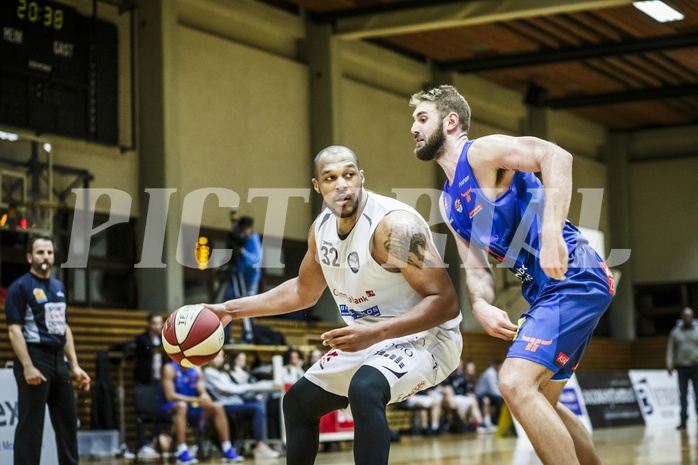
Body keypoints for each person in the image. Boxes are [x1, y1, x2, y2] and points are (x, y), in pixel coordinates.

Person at [206, 145, 463, 465]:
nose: (341, 184)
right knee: (298, 403)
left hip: (428, 338)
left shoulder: (394, 228)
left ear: (361, 177)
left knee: (365, 389)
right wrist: (229, 310)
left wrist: (377, 334)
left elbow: (446, 302)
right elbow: (303, 291)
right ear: (317, 186)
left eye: (349, 174)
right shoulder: (321, 230)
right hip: (369, 338)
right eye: (330, 178)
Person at [409, 85, 615, 465]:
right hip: (547, 291)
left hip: (574, 275)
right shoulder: (448, 200)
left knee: (513, 383)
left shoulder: (482, 153)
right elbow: (476, 268)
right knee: (543, 402)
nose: (413, 128)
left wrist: (552, 231)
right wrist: (482, 304)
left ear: (451, 121)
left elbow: (557, 156)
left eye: (422, 118)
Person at [5, 235, 91, 465]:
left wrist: (74, 365)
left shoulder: (58, 287)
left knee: (68, 424)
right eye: (40, 252)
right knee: (30, 427)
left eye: (49, 252)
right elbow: (14, 330)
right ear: (29, 256)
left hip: (58, 360)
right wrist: (27, 366)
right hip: (34, 358)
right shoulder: (20, 287)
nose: (46, 257)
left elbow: (64, 327)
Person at [160, 360, 243, 463]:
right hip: (172, 407)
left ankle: (227, 449)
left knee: (217, 406)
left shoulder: (196, 369)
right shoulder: (170, 368)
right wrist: (195, 400)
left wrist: (205, 398)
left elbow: (203, 392)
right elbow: (170, 396)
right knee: (182, 406)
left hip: (191, 407)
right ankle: (182, 451)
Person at [203, 351, 280, 459]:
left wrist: (233, 389)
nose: (220, 359)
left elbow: (230, 389)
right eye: (217, 356)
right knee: (256, 409)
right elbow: (229, 389)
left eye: (221, 356)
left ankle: (264, 442)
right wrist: (251, 386)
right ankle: (259, 445)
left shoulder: (222, 373)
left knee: (261, 403)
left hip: (235, 401)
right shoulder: (209, 372)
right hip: (225, 405)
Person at [224, 215, 262, 343]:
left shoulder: (253, 239)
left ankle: (247, 336)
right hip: (237, 274)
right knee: (228, 303)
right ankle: (225, 336)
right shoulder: (239, 238)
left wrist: (242, 252)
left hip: (250, 279)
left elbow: (255, 261)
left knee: (248, 307)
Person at [133, 312, 166, 458]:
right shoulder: (142, 338)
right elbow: (148, 348)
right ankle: (142, 444)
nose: (157, 326)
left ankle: (154, 440)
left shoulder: (164, 339)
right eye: (154, 323)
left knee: (160, 412)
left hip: (160, 380)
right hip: (144, 381)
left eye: (160, 323)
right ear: (149, 324)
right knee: (141, 412)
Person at [666, 307, 698, 430]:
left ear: (693, 317)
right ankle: (683, 421)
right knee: (683, 395)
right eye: (685, 316)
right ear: (682, 317)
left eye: (689, 316)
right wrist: (669, 364)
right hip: (681, 367)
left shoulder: (697, 331)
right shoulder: (675, 332)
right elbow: (670, 349)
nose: (687, 318)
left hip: (696, 366)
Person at [440, 359, 486, 433]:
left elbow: (465, 389)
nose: (459, 365)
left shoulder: (462, 375)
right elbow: (443, 387)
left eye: (461, 364)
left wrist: (469, 394)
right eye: (458, 363)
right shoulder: (448, 374)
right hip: (451, 398)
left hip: (460, 397)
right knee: (455, 404)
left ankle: (480, 423)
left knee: (473, 401)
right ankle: (464, 424)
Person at [473, 360, 502, 431]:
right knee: (499, 400)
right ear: (497, 366)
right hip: (479, 394)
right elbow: (493, 390)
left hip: (487, 394)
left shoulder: (495, 373)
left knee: (498, 399)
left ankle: (493, 421)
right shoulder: (490, 373)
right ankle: (495, 421)